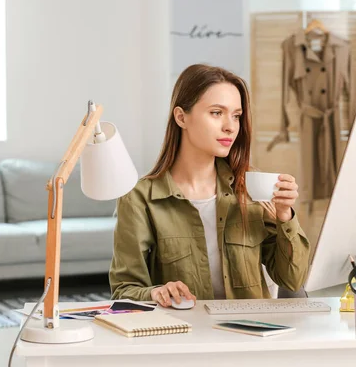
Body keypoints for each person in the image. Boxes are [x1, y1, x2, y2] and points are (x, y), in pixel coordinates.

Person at [109, 64, 310, 307]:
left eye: (236, 115)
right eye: (217, 113)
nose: (231, 126)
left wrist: (285, 215)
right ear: (181, 117)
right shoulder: (140, 198)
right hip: (185, 338)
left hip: (252, 335)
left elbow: (292, 279)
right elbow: (124, 290)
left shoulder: (250, 188)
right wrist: (157, 292)